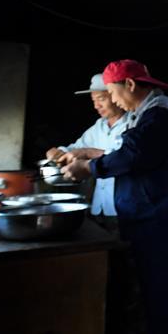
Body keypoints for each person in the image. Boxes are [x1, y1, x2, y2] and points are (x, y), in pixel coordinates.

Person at [61, 59, 168, 334]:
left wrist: (90, 168)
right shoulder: (143, 115)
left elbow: (135, 155)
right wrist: (89, 157)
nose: (111, 100)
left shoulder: (161, 112)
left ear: (131, 85)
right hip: (148, 221)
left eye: (111, 92)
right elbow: (127, 152)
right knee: (156, 305)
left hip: (164, 225)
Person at [46, 73, 129, 230]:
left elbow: (127, 157)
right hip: (99, 205)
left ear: (115, 95)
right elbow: (76, 148)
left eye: (101, 99)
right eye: (93, 100)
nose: (96, 106)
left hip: (125, 205)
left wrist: (89, 152)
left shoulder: (134, 123)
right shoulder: (99, 126)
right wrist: (59, 152)